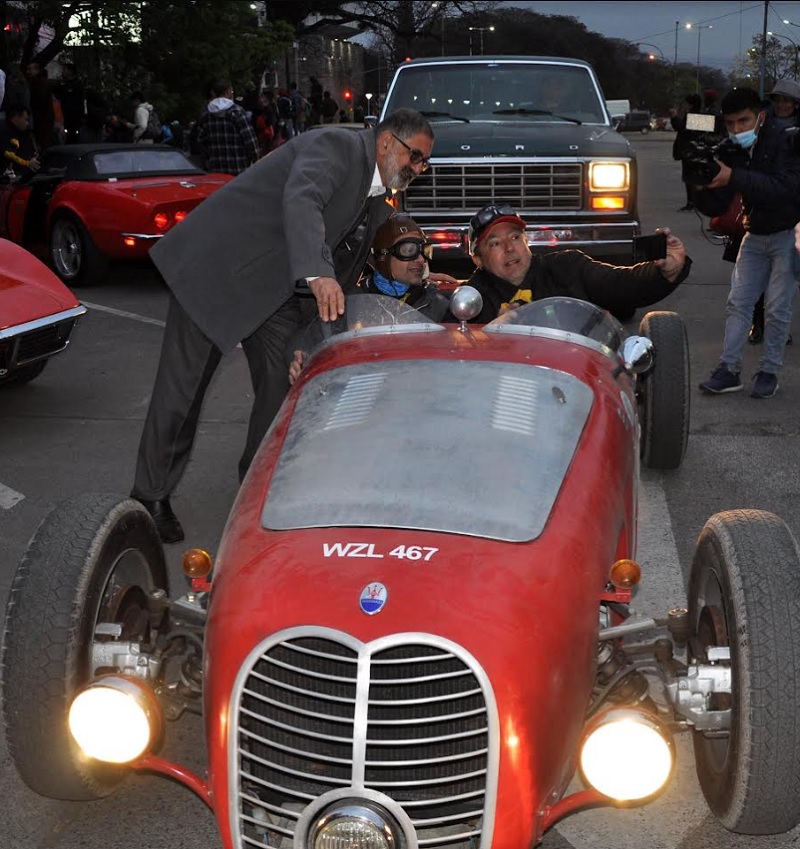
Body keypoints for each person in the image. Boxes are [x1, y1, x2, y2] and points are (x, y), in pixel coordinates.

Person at [130, 108, 434, 543]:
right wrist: (317, 272)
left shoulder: (378, 194)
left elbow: (366, 256)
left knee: (281, 383)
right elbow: (303, 198)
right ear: (388, 142)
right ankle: (149, 496)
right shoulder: (337, 146)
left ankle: (258, 489)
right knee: (184, 391)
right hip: (217, 272)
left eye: (424, 163)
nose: (418, 170)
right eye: (417, 157)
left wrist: (422, 274)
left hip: (276, 294)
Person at [693, 86, 800, 399]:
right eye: (730, 124)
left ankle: (769, 372)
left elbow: (787, 188)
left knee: (777, 308)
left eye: (743, 121)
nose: (737, 130)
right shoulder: (731, 148)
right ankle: (729, 369)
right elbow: (718, 204)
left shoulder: (787, 139)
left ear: (761, 116)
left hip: (787, 233)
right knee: (738, 302)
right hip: (753, 232)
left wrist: (733, 177)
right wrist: (703, 184)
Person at [288, 214, 455, 383]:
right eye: (409, 250)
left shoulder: (436, 304)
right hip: (364, 392)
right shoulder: (349, 304)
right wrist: (299, 357)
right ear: (383, 256)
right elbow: (305, 339)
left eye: (424, 250)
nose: (421, 259)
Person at [459, 204, 690, 324]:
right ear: (478, 260)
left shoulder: (567, 267)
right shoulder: (470, 299)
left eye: (515, 237)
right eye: (495, 244)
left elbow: (621, 284)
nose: (510, 248)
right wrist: (490, 330)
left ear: (527, 241)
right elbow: (453, 348)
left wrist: (665, 271)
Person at [749, 78, 800, 345]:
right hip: (758, 209)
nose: (783, 104)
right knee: (756, 278)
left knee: (783, 281)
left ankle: (777, 327)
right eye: (779, 99)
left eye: (788, 100)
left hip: (789, 214)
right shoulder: (760, 125)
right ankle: (757, 324)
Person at [195, 79, 260, 175]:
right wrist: (255, 158)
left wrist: (208, 158)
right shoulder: (237, 112)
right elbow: (250, 140)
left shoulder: (207, 115)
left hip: (217, 168)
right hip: (238, 167)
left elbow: (200, 140)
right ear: (228, 92)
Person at [670, 93, 703, 211]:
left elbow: (683, 128)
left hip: (690, 151)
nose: (684, 105)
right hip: (694, 150)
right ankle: (694, 201)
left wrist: (674, 117)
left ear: (690, 104)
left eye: (686, 103)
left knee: (690, 177)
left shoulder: (693, 116)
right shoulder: (701, 114)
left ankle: (692, 202)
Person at [0, 105, 40, 180]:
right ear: (16, 117)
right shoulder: (4, 131)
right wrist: (27, 163)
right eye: (25, 119)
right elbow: (8, 154)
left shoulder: (21, 133)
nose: (27, 123)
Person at [52, 62, 85, 143]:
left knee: (75, 137)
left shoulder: (78, 84)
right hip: (64, 115)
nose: (63, 71)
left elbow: (81, 100)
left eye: (65, 69)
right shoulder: (62, 84)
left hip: (75, 117)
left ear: (70, 71)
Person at [26, 61, 55, 152]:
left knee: (42, 142)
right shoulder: (40, 82)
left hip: (41, 117)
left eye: (30, 69)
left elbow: (39, 99)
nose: (28, 72)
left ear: (37, 70)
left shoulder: (38, 83)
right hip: (43, 117)